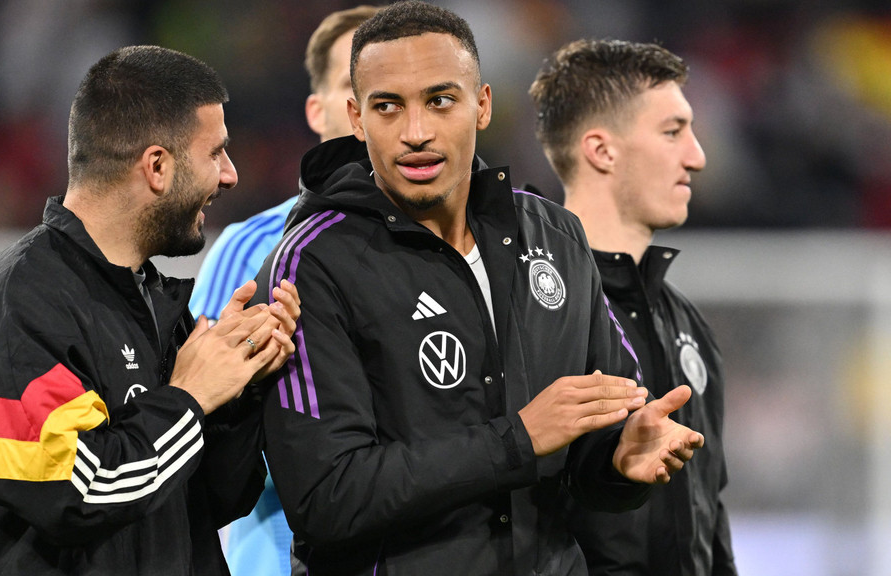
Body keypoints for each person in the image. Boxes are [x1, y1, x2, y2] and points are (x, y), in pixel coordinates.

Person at [252, 3, 706, 575]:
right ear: (356, 118)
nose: (416, 133)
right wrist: (516, 440)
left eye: (440, 101)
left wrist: (619, 459)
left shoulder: (555, 235)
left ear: (483, 105)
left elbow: (596, 433)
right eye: (388, 106)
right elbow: (327, 497)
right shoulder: (313, 261)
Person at [0, 45, 301, 576]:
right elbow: (79, 492)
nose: (230, 175)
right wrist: (191, 397)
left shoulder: (151, 299)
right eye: (216, 153)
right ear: (157, 166)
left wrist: (241, 384)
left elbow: (206, 500)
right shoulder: (13, 308)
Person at [528, 39, 737, 575]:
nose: (697, 156)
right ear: (602, 151)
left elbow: (710, 516)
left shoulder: (686, 322)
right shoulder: (523, 308)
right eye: (672, 131)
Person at [188, 6, 379, 575]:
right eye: (353, 86)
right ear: (318, 111)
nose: (372, 106)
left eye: (389, 90)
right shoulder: (251, 248)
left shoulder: (455, 243)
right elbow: (204, 426)